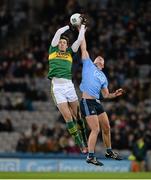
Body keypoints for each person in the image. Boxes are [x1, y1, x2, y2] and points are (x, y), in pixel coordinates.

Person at [79, 35, 125, 166]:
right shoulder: (88, 65)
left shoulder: (103, 77)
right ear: (94, 61)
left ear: (103, 65)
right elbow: (83, 47)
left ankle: (109, 151)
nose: (99, 57)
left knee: (107, 127)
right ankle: (90, 156)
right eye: (97, 57)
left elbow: (105, 95)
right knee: (95, 129)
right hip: (87, 102)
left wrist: (114, 94)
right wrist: (81, 31)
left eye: (102, 59)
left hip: (97, 102)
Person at [48, 21, 87, 153]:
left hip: (69, 86)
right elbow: (59, 32)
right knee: (68, 117)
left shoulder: (70, 52)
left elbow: (80, 39)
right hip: (57, 88)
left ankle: (85, 139)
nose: (62, 43)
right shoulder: (53, 50)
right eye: (60, 42)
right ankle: (80, 143)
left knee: (78, 116)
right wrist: (69, 26)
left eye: (64, 43)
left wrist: (81, 28)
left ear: (67, 45)